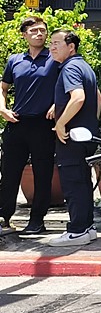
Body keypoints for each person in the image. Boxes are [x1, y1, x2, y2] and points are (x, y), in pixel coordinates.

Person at [0, 16, 60, 237]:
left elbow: (66, 86)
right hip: (17, 122)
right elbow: (3, 87)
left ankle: (37, 220)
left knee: (42, 173)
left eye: (42, 30)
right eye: (33, 31)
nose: (39, 34)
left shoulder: (54, 59)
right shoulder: (15, 60)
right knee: (9, 172)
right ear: (24, 35)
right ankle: (4, 217)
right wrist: (2, 109)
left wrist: (56, 104)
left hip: (43, 124)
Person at [47, 29, 101, 247]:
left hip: (72, 136)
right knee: (82, 183)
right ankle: (87, 228)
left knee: (73, 183)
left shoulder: (69, 67)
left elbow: (78, 98)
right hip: (86, 136)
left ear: (71, 47)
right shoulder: (84, 66)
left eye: (57, 43)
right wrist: (91, 124)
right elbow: (97, 97)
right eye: (51, 43)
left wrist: (61, 123)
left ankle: (78, 230)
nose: (52, 47)